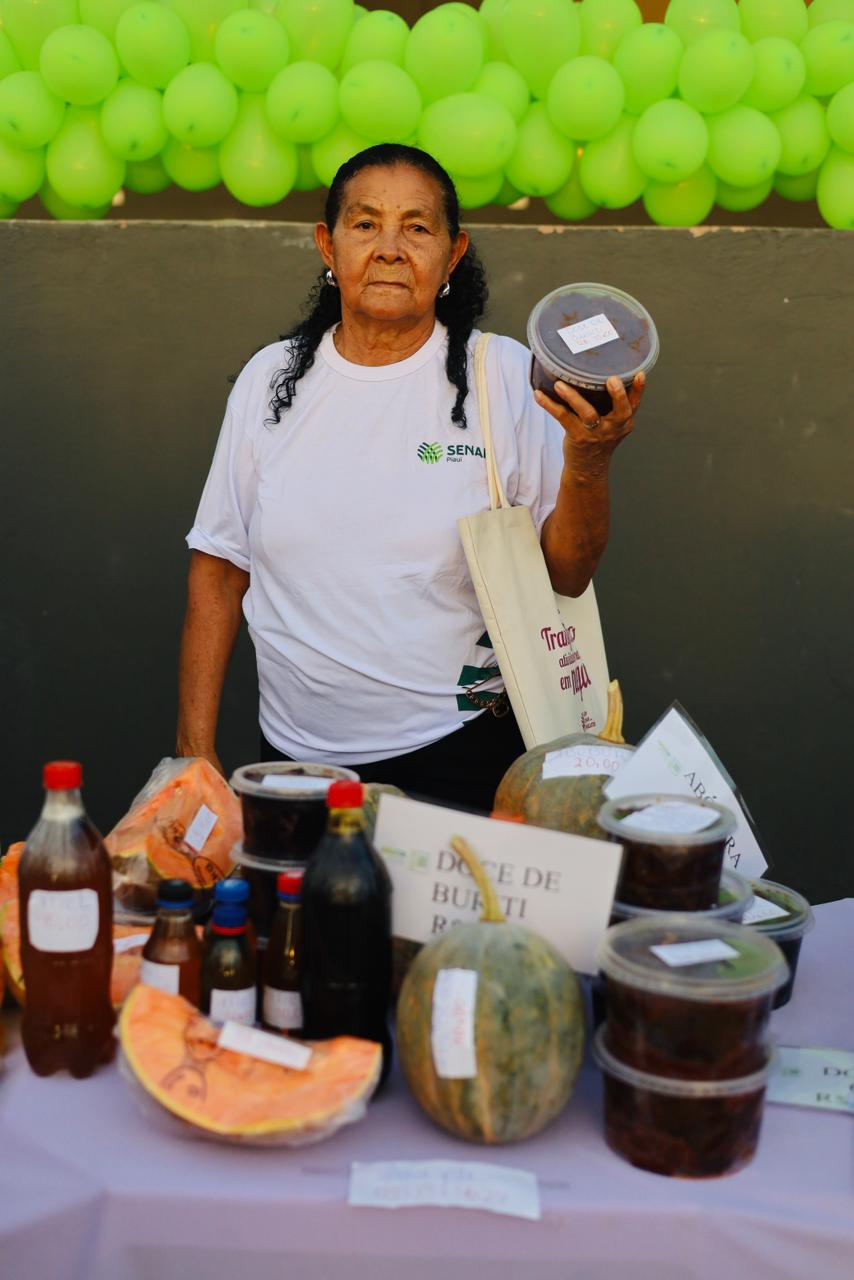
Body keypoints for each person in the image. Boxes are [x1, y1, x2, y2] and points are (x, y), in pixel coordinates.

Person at [177, 143, 645, 812]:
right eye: (365, 224)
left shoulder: (504, 376)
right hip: (293, 764)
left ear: (452, 254)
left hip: (459, 758)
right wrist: (195, 749)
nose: (390, 247)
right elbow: (220, 567)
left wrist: (590, 461)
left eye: (418, 227)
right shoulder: (270, 382)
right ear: (327, 246)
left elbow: (565, 574)